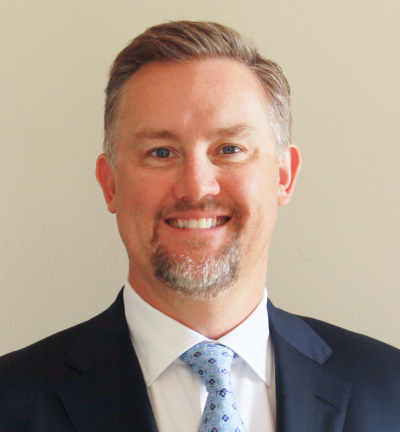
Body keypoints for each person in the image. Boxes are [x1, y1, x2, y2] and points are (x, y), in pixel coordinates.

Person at [0, 20, 399, 432]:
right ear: (111, 184)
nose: (196, 186)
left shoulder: (391, 389)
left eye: (230, 149)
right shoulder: (9, 402)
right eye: (160, 152)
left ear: (284, 175)